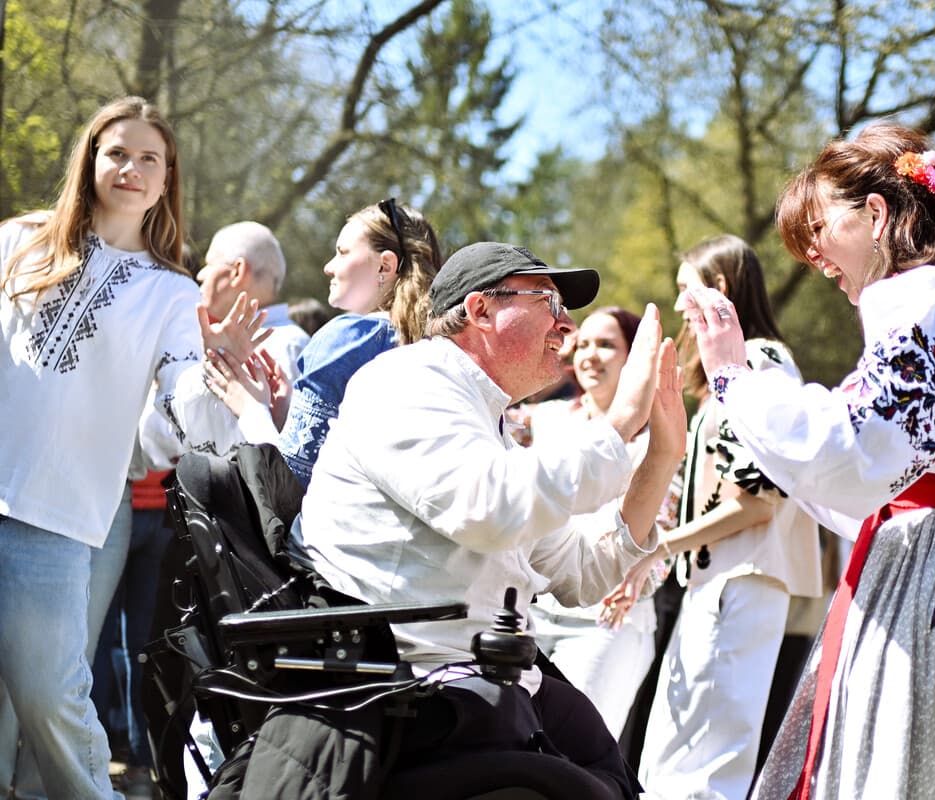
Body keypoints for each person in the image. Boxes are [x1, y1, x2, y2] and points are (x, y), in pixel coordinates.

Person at [681, 123, 935, 799]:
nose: (811, 253)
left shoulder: (932, 294)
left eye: (818, 226)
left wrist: (734, 377)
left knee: (911, 767)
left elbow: (850, 447)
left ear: (876, 213)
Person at [287, 242, 687, 797]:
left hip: (476, 683)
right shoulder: (405, 382)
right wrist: (618, 423)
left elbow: (581, 573)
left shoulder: (484, 415)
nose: (564, 324)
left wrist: (662, 455)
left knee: (612, 776)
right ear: (479, 310)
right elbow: (489, 511)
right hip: (404, 691)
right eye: (548, 301)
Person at [0, 96, 263, 800]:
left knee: (52, 700)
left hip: (58, 519)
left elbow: (178, 413)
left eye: (150, 158)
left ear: (167, 178)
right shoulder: (18, 241)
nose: (131, 168)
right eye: (118, 151)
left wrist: (219, 374)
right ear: (89, 157)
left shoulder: (170, 293)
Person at [603, 234, 822, 800]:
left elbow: (753, 501)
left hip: (741, 581)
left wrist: (661, 546)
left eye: (685, 290)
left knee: (710, 759)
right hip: (715, 581)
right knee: (674, 751)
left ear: (719, 288)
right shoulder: (732, 374)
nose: (677, 306)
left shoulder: (764, 366)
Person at [204, 199, 441, 485]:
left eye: (342, 253)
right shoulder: (435, 345)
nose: (329, 267)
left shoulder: (350, 339)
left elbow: (290, 484)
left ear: (385, 265)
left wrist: (250, 408)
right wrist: (285, 414)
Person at [507, 305, 662, 739]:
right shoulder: (548, 419)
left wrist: (641, 573)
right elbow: (492, 411)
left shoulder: (654, 441)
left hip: (608, 624)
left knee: (578, 758)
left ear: (634, 360)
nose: (591, 355)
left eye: (607, 346)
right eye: (584, 343)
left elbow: (660, 531)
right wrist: (556, 355)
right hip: (534, 617)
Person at [196, 220, 310, 379]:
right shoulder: (291, 344)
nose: (200, 275)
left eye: (210, 264)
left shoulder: (284, 348)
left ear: (237, 271)